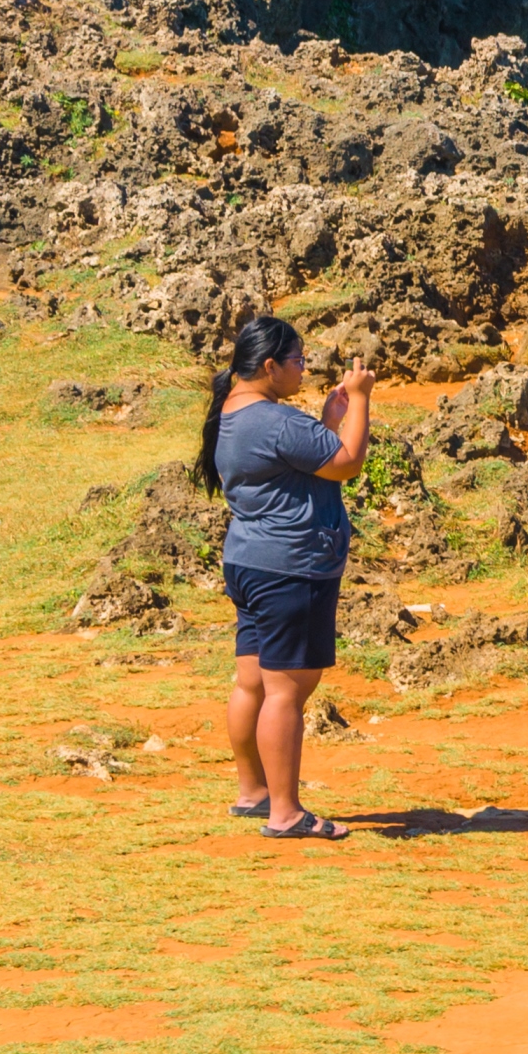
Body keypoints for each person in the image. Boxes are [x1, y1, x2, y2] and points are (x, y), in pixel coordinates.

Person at [196, 310, 368, 840]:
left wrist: (326, 418)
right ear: (269, 365)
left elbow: (294, 461)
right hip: (291, 568)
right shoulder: (275, 419)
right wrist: (359, 399)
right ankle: (286, 813)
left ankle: (254, 792)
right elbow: (345, 463)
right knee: (287, 691)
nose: (303, 367)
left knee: (253, 682)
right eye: (297, 360)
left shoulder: (232, 412)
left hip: (250, 562)